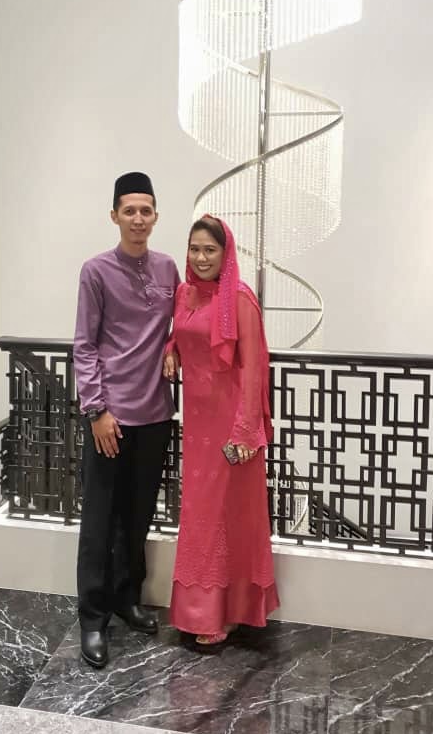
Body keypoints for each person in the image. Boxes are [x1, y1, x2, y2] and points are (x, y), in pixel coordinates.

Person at [73, 172, 180, 669]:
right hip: (110, 418)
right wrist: (97, 410)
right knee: (99, 520)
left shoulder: (167, 268)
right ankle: (92, 618)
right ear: (114, 216)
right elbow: (84, 345)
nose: (138, 219)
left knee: (137, 517)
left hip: (155, 414)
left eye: (146, 210)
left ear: (156, 217)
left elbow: (183, 323)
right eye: (129, 211)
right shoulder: (96, 271)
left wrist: (174, 348)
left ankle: (126, 597)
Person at [163, 215, 279, 648]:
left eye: (210, 250)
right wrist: (170, 350)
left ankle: (225, 612)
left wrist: (246, 430)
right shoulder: (185, 294)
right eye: (194, 249)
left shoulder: (241, 299)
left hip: (231, 428)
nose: (201, 257)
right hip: (197, 426)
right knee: (199, 514)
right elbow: (181, 332)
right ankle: (202, 610)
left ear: (225, 254)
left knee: (226, 516)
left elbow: (254, 367)